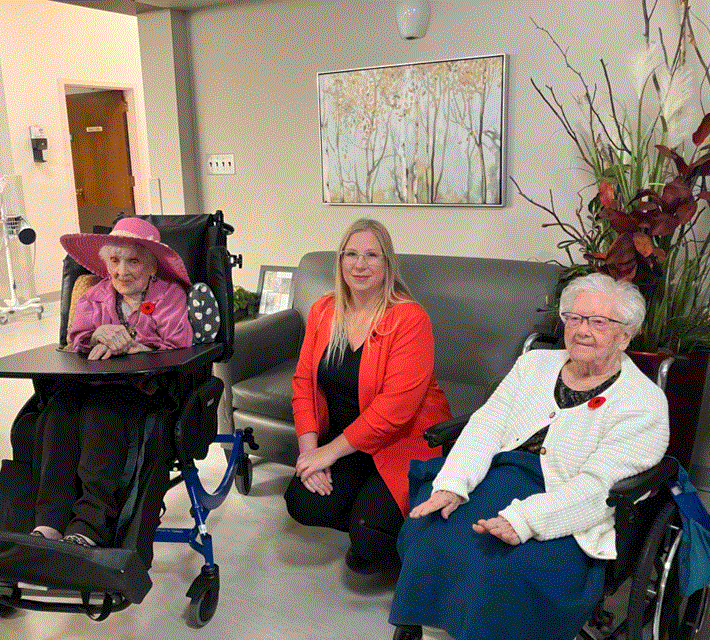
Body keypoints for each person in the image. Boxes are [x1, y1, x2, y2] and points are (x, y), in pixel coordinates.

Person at [389, 272, 669, 640]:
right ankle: (434, 631)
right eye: (575, 318)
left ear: (625, 335)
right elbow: (485, 427)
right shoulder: (533, 366)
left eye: (599, 322)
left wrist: (527, 520)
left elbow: (599, 488)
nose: (582, 329)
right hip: (496, 477)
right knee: (431, 536)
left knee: (504, 569)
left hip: (566, 505)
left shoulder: (644, 402)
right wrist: (454, 484)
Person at [285, 218, 452, 573]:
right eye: (351, 254)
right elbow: (303, 383)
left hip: (401, 439)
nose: (360, 264)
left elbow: (395, 411)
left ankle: (390, 533)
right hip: (349, 439)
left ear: (387, 264)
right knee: (302, 503)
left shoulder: (409, 318)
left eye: (371, 255)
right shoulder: (323, 310)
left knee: (371, 538)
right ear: (340, 260)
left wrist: (328, 453)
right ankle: (369, 509)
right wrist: (310, 452)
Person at [30, 217, 198, 547]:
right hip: (88, 382)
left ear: (152, 266)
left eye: (133, 260)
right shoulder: (94, 296)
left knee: (98, 412)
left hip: (139, 387)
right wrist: (96, 333)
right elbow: (75, 339)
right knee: (57, 411)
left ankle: (89, 525)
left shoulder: (168, 296)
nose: (122, 271)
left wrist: (136, 347)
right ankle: (48, 521)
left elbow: (179, 343)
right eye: (115, 261)